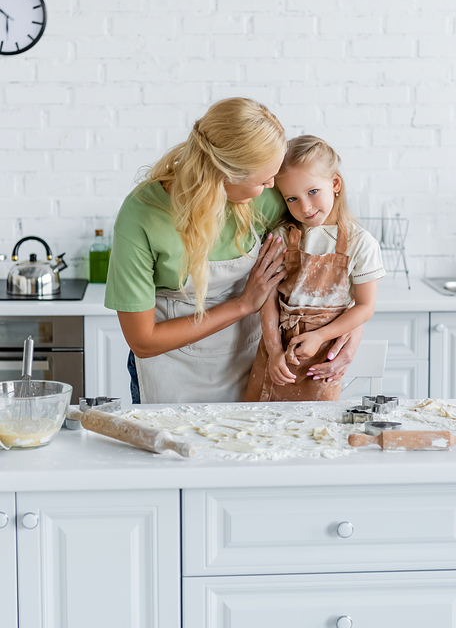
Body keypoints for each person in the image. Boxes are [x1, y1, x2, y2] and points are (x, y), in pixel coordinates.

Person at [104, 99, 362, 404]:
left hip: (252, 364)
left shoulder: (266, 199)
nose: (272, 186)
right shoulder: (141, 216)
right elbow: (142, 341)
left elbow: (341, 254)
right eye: (264, 180)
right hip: (171, 374)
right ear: (225, 174)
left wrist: (351, 331)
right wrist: (241, 305)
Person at [244, 134, 385, 402]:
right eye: (292, 199)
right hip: (277, 353)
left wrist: (320, 336)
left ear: (334, 183)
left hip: (322, 354)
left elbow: (365, 307)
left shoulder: (360, 243)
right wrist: (274, 351)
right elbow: (269, 298)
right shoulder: (282, 237)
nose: (305, 207)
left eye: (312, 192)